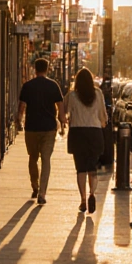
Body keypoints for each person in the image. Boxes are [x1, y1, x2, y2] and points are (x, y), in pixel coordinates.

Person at [16, 58, 65, 205]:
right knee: (46, 160)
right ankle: (42, 193)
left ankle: (35, 186)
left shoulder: (27, 86)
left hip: (31, 128)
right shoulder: (53, 85)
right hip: (49, 128)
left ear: (35, 69)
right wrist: (62, 124)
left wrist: (19, 121)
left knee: (32, 157)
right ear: (47, 68)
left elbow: (22, 107)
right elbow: (61, 106)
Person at [62, 67, 108, 214]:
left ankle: (82, 199)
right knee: (93, 167)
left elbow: (64, 112)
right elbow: (103, 116)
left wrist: (65, 123)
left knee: (80, 168)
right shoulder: (98, 93)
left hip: (78, 132)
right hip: (94, 132)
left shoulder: (72, 95)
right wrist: (103, 123)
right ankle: (92, 193)